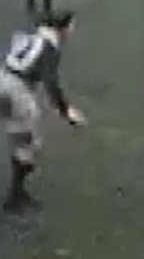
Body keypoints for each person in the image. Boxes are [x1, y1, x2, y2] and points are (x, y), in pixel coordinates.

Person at [1, 11, 85, 212]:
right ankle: (15, 197)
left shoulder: (32, 36)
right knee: (28, 144)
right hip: (17, 91)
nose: (73, 31)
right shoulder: (49, 47)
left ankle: (16, 194)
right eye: (72, 26)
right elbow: (51, 83)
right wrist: (66, 111)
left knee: (19, 135)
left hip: (2, 78)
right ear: (63, 27)